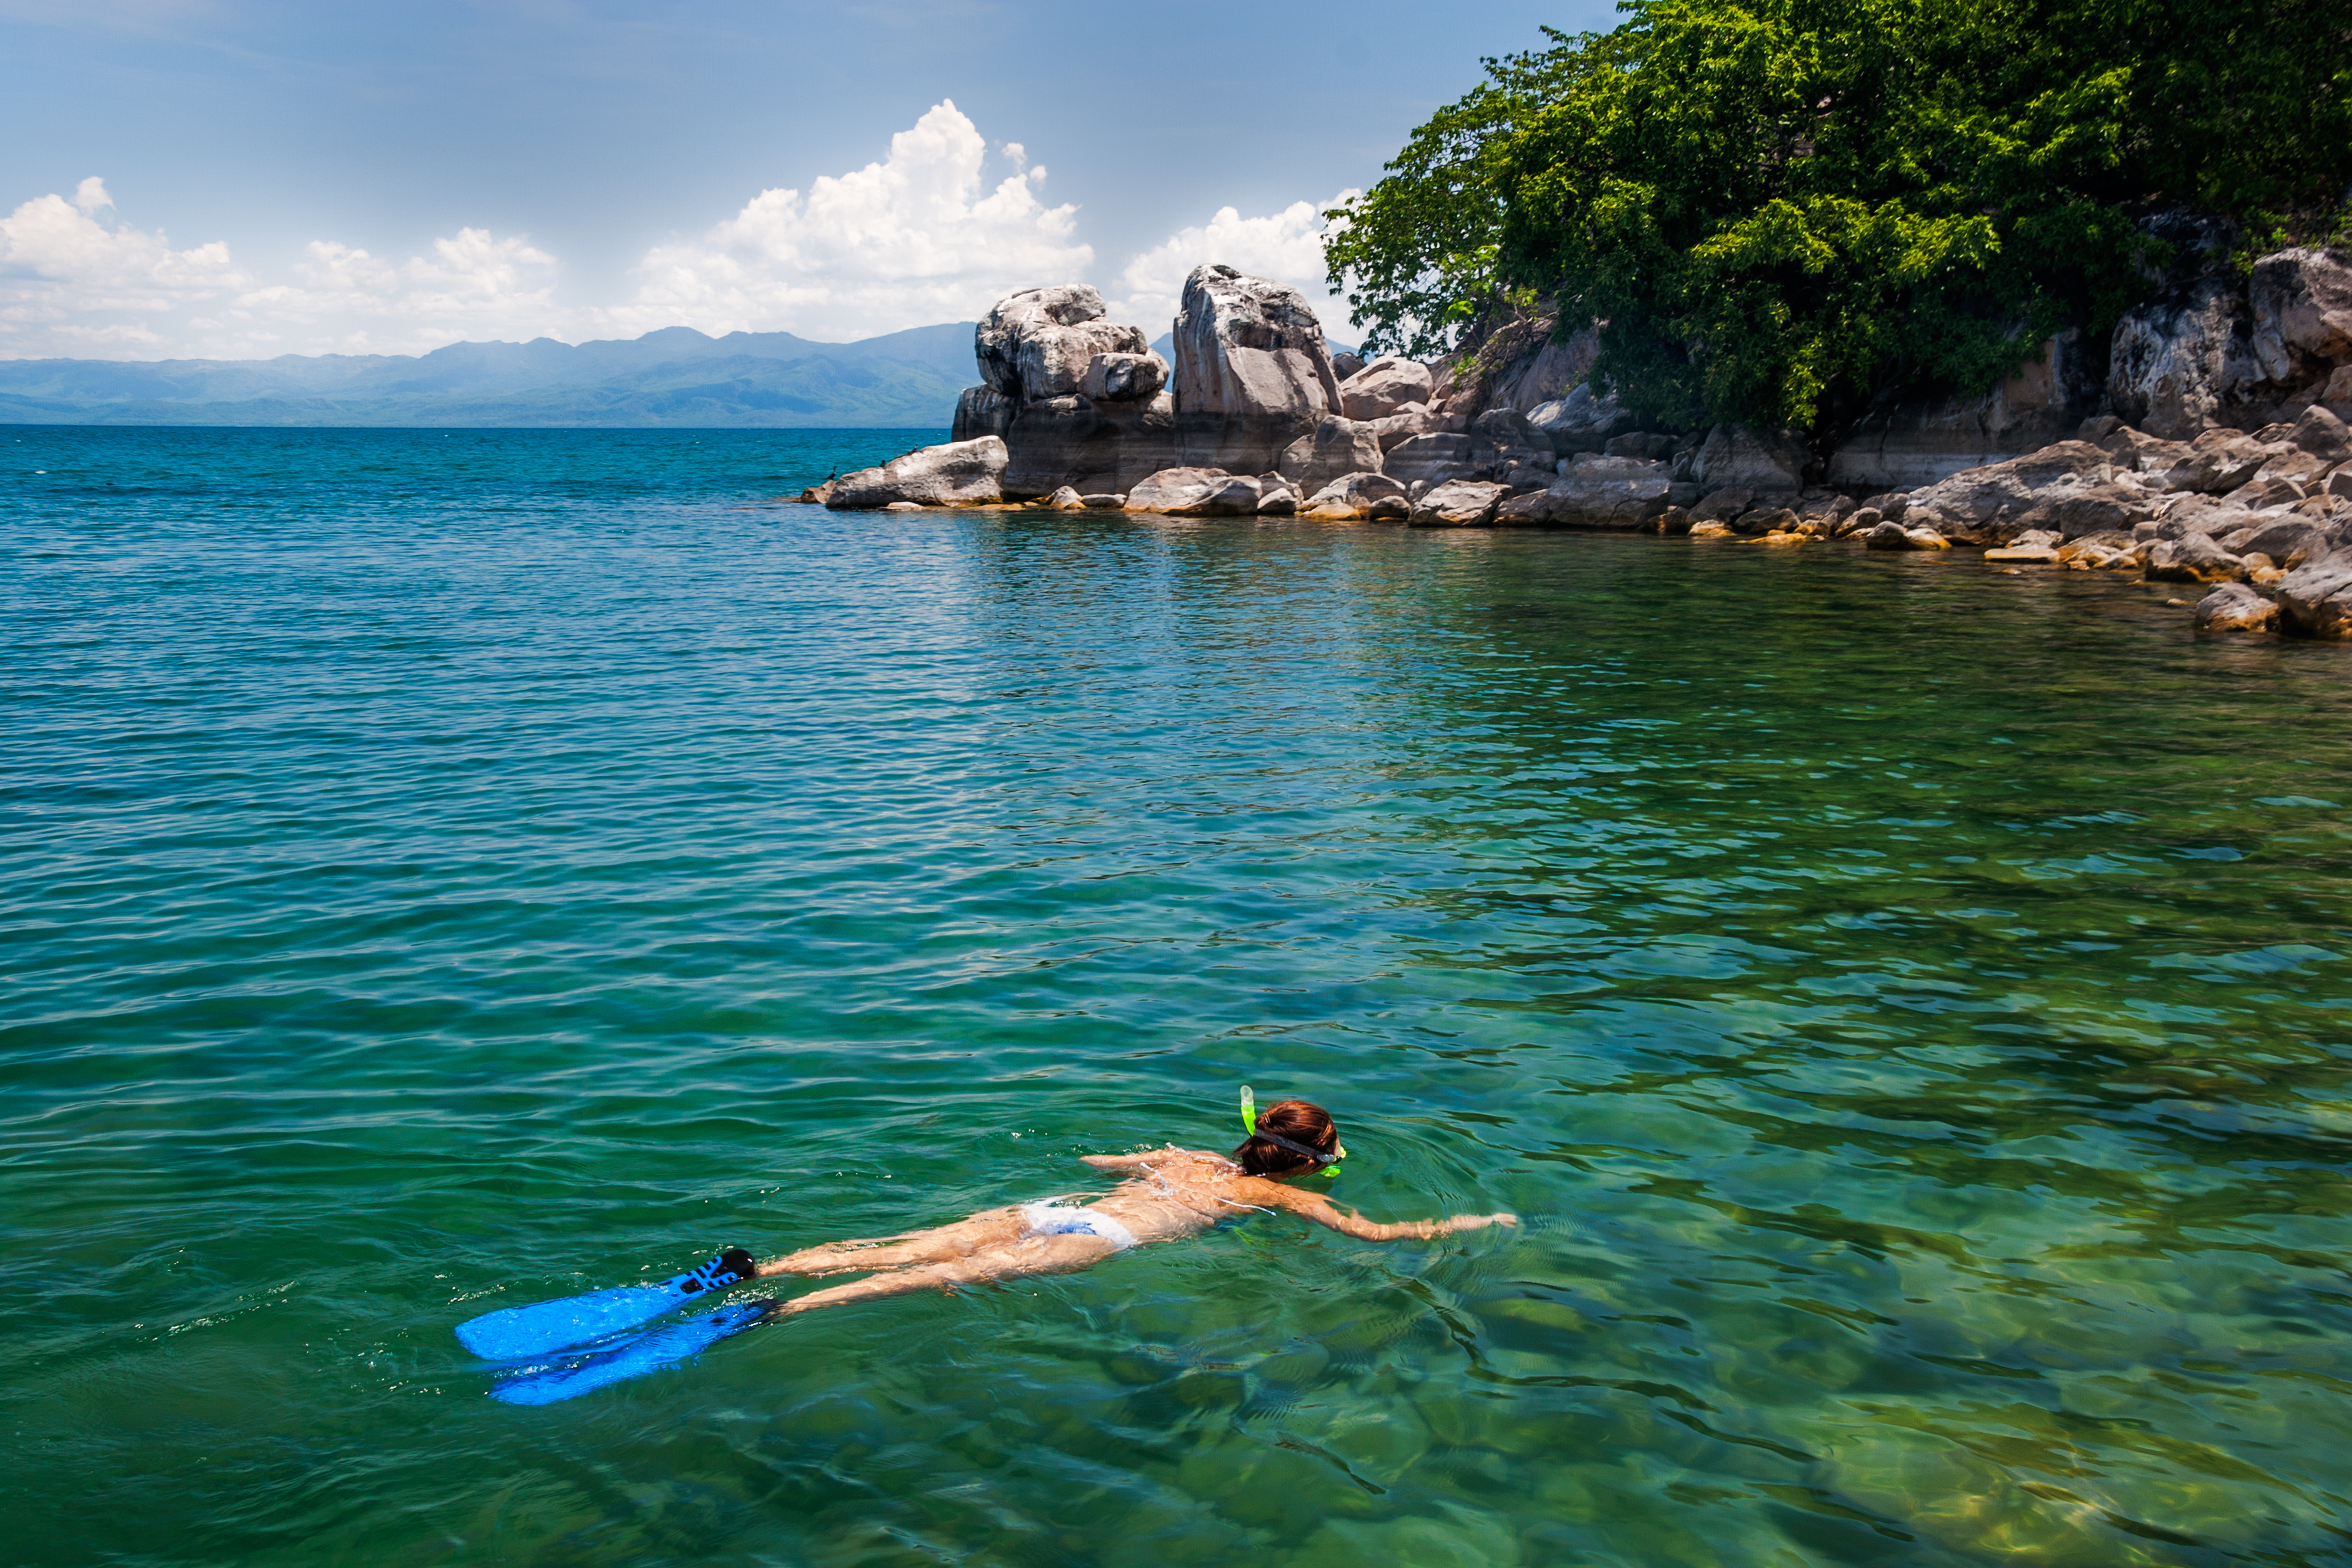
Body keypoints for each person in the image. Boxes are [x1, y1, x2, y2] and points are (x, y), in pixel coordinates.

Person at [743, 1099, 1516, 1321]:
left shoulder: (1188, 1157)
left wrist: (1146, 1159)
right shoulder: (1269, 1194)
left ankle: (762, 1268)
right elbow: (1377, 1233)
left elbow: (1097, 1162)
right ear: (1313, 1160)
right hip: (1104, 1238)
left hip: (1054, 1208)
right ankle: (787, 1309)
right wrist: (1471, 1223)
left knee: (909, 1244)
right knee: (940, 1277)